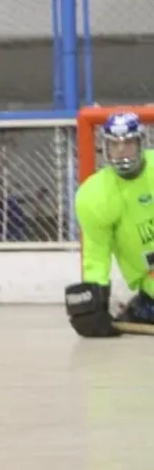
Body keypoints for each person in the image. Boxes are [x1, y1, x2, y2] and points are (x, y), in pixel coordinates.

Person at [65, 112, 154, 337]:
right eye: (115, 144)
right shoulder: (95, 196)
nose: (122, 150)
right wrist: (94, 303)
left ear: (141, 143)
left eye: (128, 142)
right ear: (105, 148)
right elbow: (96, 255)